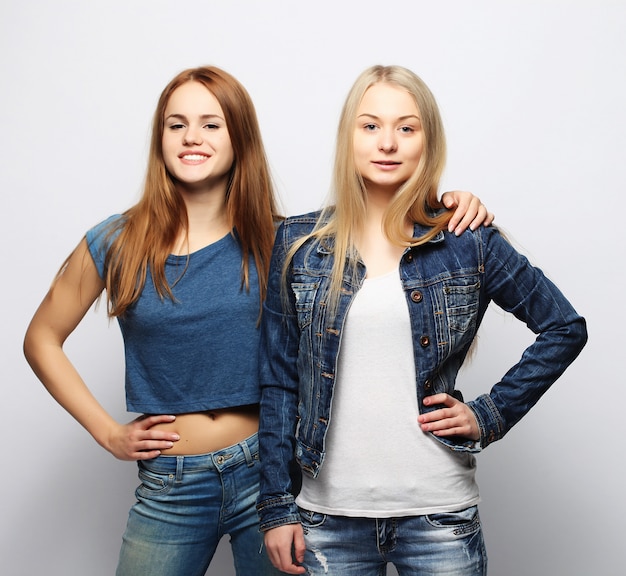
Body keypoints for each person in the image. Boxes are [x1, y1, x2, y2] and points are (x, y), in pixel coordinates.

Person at [22, 65, 491, 576]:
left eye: (211, 124)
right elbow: (42, 338)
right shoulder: (117, 240)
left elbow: (380, 229)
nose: (192, 137)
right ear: (160, 138)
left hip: (269, 477)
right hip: (171, 481)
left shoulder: (283, 242)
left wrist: (447, 204)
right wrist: (108, 433)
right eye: (176, 124)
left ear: (239, 137)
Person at [256, 64, 588, 576]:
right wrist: (277, 506)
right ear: (348, 138)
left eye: (406, 128)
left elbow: (564, 326)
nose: (387, 142)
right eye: (370, 126)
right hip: (327, 519)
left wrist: (490, 414)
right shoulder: (299, 244)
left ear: (427, 142)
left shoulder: (466, 239)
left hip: (439, 516)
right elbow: (278, 381)